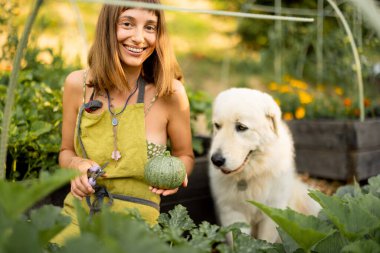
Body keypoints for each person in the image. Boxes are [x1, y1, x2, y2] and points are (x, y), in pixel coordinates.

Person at [51, 0, 194, 244]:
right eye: (127, 24)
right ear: (108, 27)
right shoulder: (78, 85)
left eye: (150, 27)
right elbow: (65, 151)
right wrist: (75, 164)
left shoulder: (170, 94)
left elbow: (186, 156)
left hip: (138, 229)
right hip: (80, 219)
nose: (139, 38)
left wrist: (178, 172)